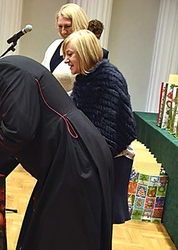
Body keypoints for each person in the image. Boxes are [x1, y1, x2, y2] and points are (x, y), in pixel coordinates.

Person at [0, 41, 113, 250]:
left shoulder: (5, 70)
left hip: (73, 160)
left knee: (63, 238)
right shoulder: (11, 69)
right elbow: (21, 141)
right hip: (73, 157)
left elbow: (18, 131)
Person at [62, 30, 136, 224]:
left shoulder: (108, 78)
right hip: (98, 159)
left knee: (99, 223)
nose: (66, 60)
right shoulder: (86, 78)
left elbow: (109, 134)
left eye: (70, 54)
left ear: (85, 52)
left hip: (112, 160)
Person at [41, 3, 88, 93]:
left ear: (78, 24)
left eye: (67, 26)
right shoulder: (55, 45)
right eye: (60, 26)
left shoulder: (86, 50)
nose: (63, 31)